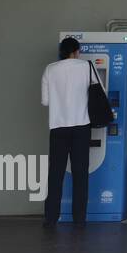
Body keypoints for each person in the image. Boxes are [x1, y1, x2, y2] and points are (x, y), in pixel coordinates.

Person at [41, 36, 93, 226]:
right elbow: (99, 91)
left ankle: (51, 218)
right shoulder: (86, 67)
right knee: (80, 174)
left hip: (58, 127)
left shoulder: (50, 69)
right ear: (77, 51)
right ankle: (79, 219)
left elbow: (46, 101)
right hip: (81, 126)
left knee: (55, 173)